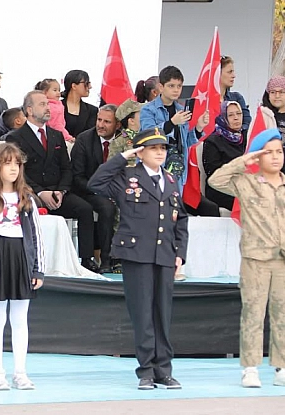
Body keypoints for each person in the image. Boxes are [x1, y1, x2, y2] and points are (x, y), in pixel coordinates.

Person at [208, 129, 285, 389]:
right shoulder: (248, 182)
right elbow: (216, 180)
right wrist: (246, 160)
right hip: (256, 260)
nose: (275, 157)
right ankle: (250, 368)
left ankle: (282, 368)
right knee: (253, 314)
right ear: (258, 156)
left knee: (283, 317)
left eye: (279, 152)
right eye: (269, 152)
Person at [87, 128, 188, 390]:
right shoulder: (128, 176)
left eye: (163, 148)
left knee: (162, 315)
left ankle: (164, 370)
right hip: (136, 254)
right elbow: (95, 184)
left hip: (164, 255)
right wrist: (123, 157)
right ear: (140, 152)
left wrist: (180, 254)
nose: (160, 153)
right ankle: (146, 370)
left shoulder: (170, 180)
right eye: (153, 148)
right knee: (143, 314)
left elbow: (181, 219)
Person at [0, 143, 45, 391]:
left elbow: (36, 235)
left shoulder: (27, 198)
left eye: (17, 164)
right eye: (7, 163)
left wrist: (38, 269)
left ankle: (20, 372)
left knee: (20, 318)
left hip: (21, 259)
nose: (13, 168)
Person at [6, 90, 98, 273]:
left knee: (85, 209)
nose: (48, 108)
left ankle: (86, 259)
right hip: (32, 193)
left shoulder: (56, 135)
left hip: (58, 193)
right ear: (30, 110)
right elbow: (18, 172)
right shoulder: (15, 137)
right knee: (30, 206)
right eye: (42, 104)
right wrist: (41, 192)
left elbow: (66, 167)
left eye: (48, 104)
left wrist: (61, 191)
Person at [139, 66, 209, 191]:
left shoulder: (181, 110)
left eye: (179, 86)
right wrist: (171, 123)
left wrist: (199, 127)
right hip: (154, 169)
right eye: (171, 86)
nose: (176, 90)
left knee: (174, 207)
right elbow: (148, 135)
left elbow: (186, 142)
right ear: (161, 87)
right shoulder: (148, 109)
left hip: (178, 170)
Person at [71, 104, 119, 272]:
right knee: (106, 206)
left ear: (117, 125)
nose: (100, 125)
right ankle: (106, 260)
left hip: (117, 190)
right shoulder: (84, 139)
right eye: (99, 120)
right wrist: (102, 191)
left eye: (107, 121)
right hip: (87, 190)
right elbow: (77, 177)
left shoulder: (123, 141)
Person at [203, 101, 247, 212]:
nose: (236, 118)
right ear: (223, 118)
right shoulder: (213, 141)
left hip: (244, 186)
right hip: (221, 188)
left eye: (239, 114)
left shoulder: (247, 137)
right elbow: (213, 171)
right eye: (231, 115)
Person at [61, 69, 98, 138]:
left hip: (83, 147)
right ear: (74, 86)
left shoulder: (92, 110)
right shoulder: (56, 107)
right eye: (86, 83)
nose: (90, 87)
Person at [218, 55, 251, 131]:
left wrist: (236, 133)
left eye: (233, 72)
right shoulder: (206, 102)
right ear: (218, 74)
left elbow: (247, 121)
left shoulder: (237, 98)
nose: (234, 76)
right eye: (229, 72)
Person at [36, 78, 72, 143]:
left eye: (59, 90)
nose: (58, 93)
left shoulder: (57, 104)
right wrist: (67, 137)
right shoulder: (51, 107)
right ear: (44, 92)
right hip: (56, 137)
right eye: (55, 90)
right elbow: (56, 125)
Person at [109, 99, 144, 166]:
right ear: (131, 121)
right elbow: (111, 167)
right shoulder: (119, 142)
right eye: (141, 113)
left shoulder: (147, 136)